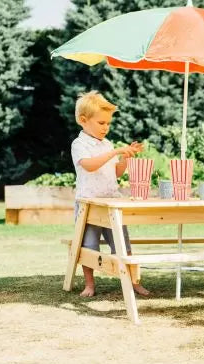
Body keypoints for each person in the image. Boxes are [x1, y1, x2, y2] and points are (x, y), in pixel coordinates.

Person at [71, 90, 149, 298]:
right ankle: (89, 285)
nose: (106, 127)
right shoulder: (79, 145)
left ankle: (133, 282)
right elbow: (89, 166)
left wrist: (125, 158)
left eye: (108, 123)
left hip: (111, 203)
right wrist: (115, 152)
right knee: (89, 246)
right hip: (89, 204)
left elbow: (116, 172)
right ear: (83, 120)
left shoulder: (107, 144)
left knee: (122, 243)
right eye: (101, 123)